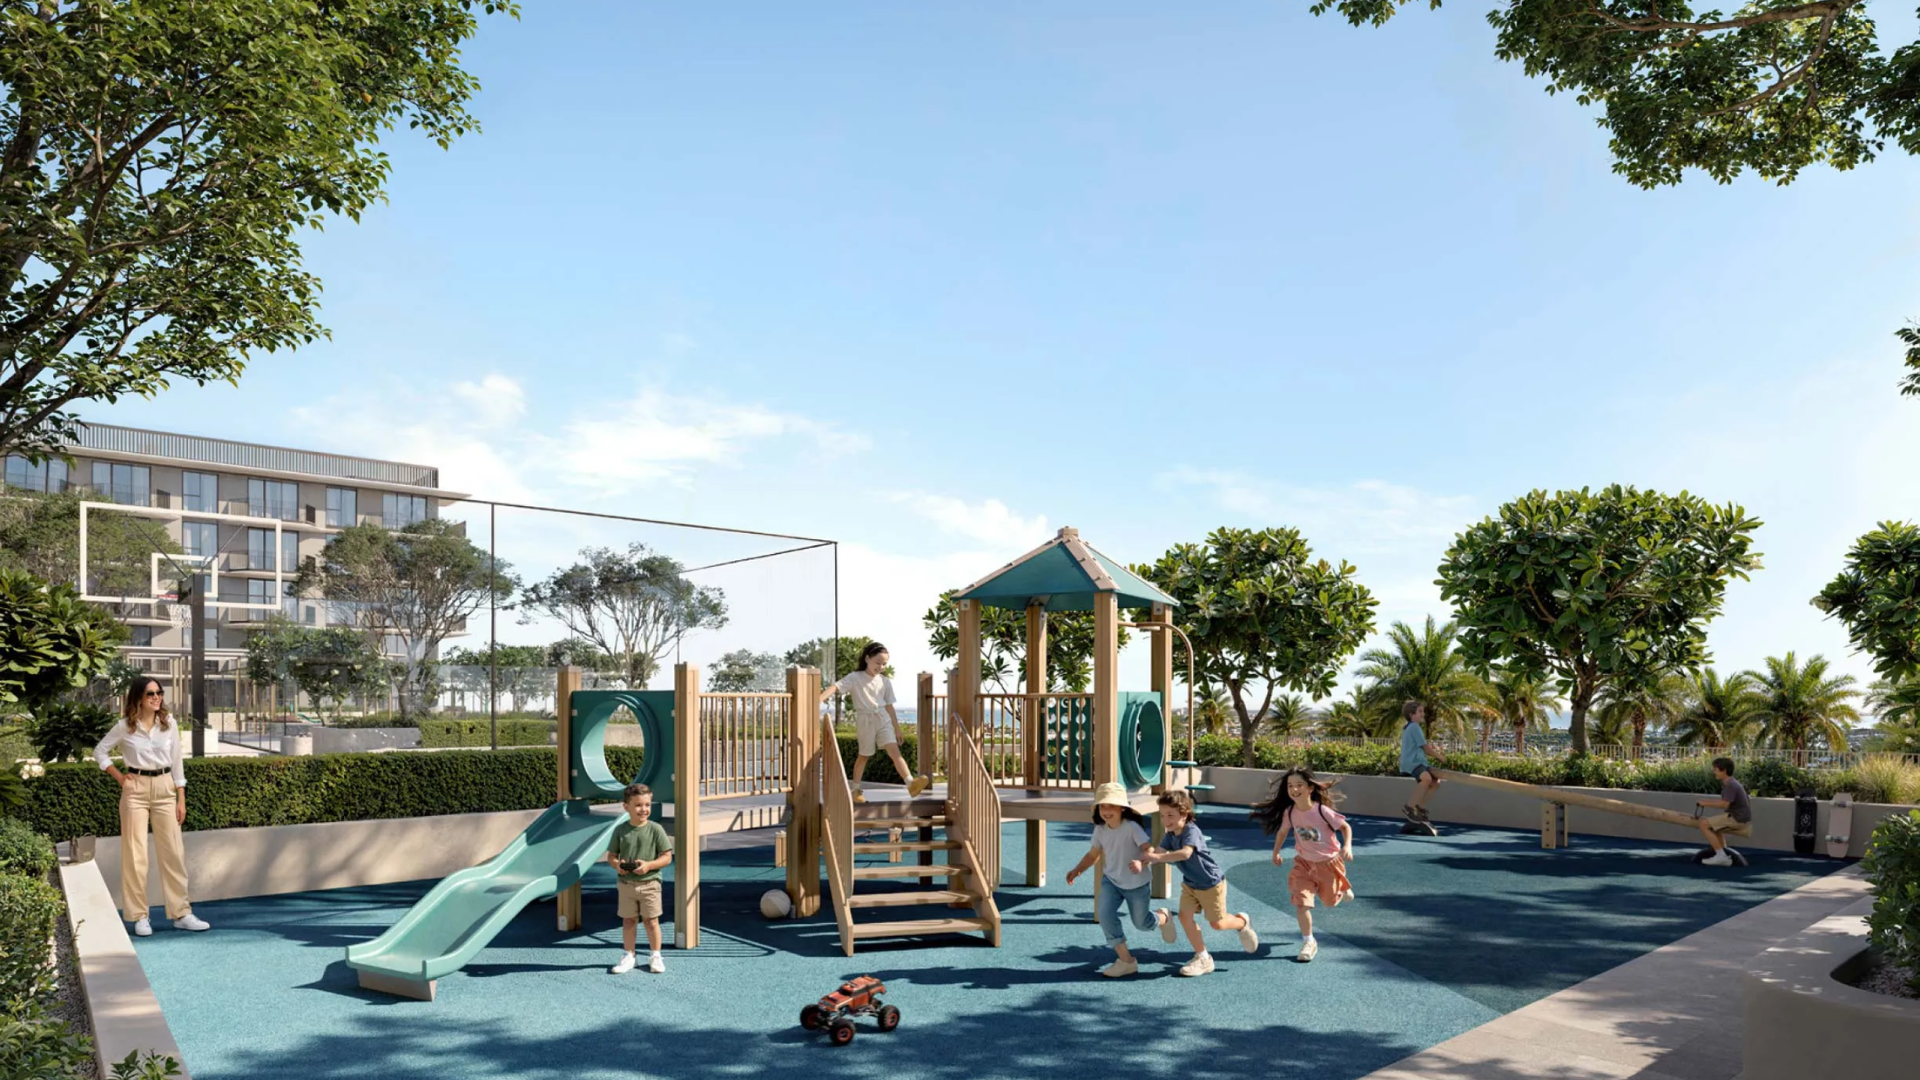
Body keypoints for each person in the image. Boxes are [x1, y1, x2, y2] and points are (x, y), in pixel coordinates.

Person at [92, 678, 210, 936]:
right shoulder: (125, 726)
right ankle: (139, 916)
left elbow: (178, 762)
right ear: (138, 698)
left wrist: (181, 798)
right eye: (150, 694)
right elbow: (100, 751)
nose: (156, 697)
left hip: (165, 788)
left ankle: (181, 913)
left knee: (174, 854)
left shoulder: (169, 724)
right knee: (135, 855)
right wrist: (119, 777)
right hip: (135, 790)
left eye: (159, 693)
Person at [1145, 790, 1257, 976]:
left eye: (1170, 815)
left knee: (1217, 924)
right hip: (1190, 884)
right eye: (1163, 815)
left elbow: (1185, 853)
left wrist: (1158, 856)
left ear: (1185, 813)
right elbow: (1158, 851)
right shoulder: (1170, 834)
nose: (1166, 820)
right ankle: (1203, 957)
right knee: (1184, 917)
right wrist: (1145, 859)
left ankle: (1242, 922)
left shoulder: (1191, 831)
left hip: (1211, 883)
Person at [1065, 782, 1170, 978]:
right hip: (1111, 881)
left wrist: (1141, 862)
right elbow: (1093, 854)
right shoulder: (1100, 830)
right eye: (1103, 806)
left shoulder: (1131, 827)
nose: (1106, 810)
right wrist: (1077, 870)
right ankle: (1126, 961)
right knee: (1104, 915)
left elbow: (1149, 850)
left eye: (1111, 805)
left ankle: (1163, 917)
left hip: (1136, 884)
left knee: (1142, 924)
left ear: (1122, 808)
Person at [1253, 767, 1354, 963]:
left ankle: (1342, 887)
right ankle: (1309, 941)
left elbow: (1345, 827)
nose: (1294, 789)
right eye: (1290, 785)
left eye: (1299, 785)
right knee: (1301, 903)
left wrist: (1348, 846)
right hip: (1304, 864)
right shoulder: (1290, 812)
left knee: (1329, 901)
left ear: (1309, 788)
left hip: (1328, 863)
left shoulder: (1321, 811)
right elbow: (1282, 832)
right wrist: (1276, 852)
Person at [818, 642, 929, 803]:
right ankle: (856, 790)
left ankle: (911, 783)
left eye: (884, 664)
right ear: (867, 658)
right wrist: (818, 700)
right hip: (865, 720)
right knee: (864, 755)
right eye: (878, 663)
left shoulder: (885, 681)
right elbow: (835, 687)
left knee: (894, 751)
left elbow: (890, 706)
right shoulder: (855, 678)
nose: (881, 667)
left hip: (883, 718)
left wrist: (897, 728)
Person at [607, 783, 674, 974]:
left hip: (650, 884)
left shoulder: (655, 829)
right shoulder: (620, 830)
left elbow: (667, 857)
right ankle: (629, 956)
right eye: (638, 805)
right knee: (628, 921)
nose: (643, 809)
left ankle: (655, 955)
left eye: (647, 805)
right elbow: (612, 855)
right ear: (626, 807)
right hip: (626, 884)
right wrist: (617, 865)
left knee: (651, 921)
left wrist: (648, 866)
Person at [1694, 757, 1752, 867]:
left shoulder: (1731, 785)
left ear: (1724, 770)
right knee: (1714, 826)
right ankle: (1723, 853)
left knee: (1703, 824)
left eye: (1716, 769)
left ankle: (1721, 856)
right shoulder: (1730, 783)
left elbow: (1724, 804)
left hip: (1737, 818)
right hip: (1738, 817)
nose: (1713, 771)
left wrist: (1704, 803)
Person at [1400, 700, 1444, 820]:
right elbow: (1426, 749)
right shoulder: (1414, 727)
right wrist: (1439, 756)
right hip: (1412, 762)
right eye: (1420, 711)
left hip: (1418, 762)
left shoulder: (1412, 727)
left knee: (1435, 783)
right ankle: (1409, 807)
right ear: (1411, 714)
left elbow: (1421, 746)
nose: (1422, 714)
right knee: (1426, 779)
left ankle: (1420, 807)